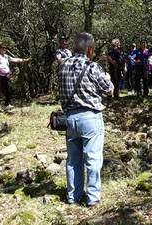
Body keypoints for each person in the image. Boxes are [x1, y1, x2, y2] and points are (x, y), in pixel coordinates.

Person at [59, 32, 114, 206]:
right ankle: (92, 198)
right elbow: (109, 89)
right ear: (90, 49)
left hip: (69, 118)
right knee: (92, 158)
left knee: (73, 160)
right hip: (90, 117)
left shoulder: (62, 65)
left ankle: (73, 196)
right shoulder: (92, 66)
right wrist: (108, 79)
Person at [0, 42, 30, 109]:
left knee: (7, 89)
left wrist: (24, 60)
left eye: (5, 48)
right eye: (2, 47)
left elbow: (14, 59)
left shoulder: (6, 56)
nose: (4, 49)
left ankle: (7, 104)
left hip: (5, 75)